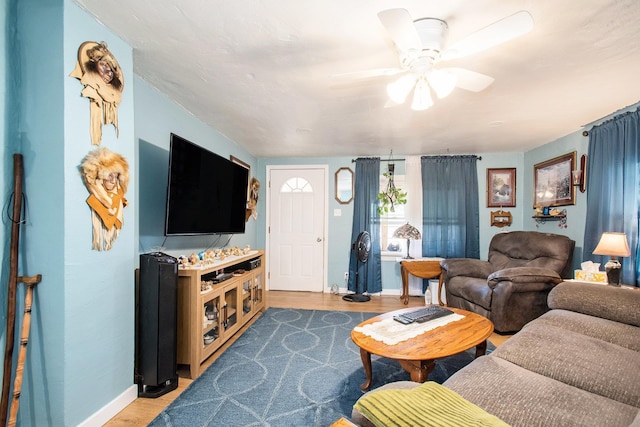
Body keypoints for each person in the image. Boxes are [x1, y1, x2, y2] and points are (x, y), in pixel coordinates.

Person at [80, 147, 129, 251]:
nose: (113, 180)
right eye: (109, 175)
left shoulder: (118, 197)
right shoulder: (96, 197)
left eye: (116, 177)